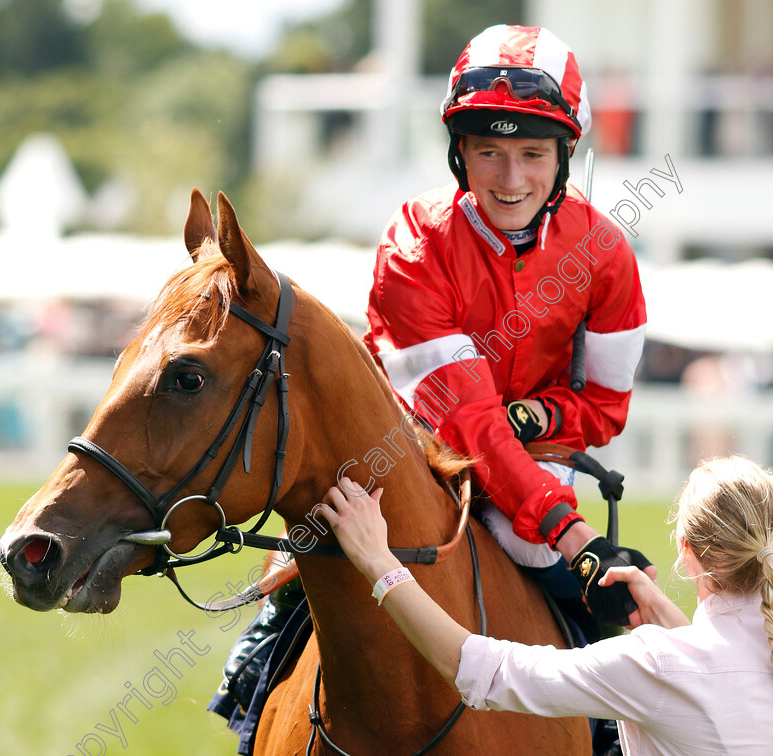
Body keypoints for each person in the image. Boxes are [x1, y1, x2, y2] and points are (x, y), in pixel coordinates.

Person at [362, 23, 651, 624]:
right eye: (489, 151)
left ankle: (604, 711)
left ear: (564, 156)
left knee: (582, 582)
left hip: (532, 457)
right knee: (316, 538)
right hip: (410, 449)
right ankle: (256, 674)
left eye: (532, 154)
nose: (510, 179)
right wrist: (572, 533)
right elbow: (464, 417)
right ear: (459, 153)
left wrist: (538, 416)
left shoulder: (606, 253)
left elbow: (605, 408)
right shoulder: (414, 241)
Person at [319, 457, 773, 755]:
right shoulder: (689, 656)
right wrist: (666, 618)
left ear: (685, 547)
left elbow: (481, 670)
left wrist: (377, 560)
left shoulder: (655, 664)